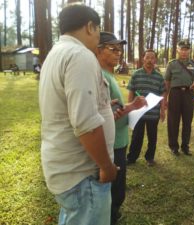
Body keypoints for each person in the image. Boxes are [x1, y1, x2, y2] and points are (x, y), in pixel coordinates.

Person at [39, 5, 118, 225]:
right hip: (83, 174)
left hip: (68, 169)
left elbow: (72, 106)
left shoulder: (56, 53)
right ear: (90, 27)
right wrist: (107, 167)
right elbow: (86, 124)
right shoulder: (80, 55)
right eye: (99, 30)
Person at [95, 31, 147, 225]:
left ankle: (113, 215)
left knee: (117, 189)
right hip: (112, 144)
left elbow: (113, 108)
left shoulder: (109, 74)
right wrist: (133, 107)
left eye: (120, 49)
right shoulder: (100, 76)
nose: (119, 53)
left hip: (120, 140)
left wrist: (131, 107)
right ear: (98, 50)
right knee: (113, 191)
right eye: (113, 49)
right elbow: (106, 115)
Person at [127, 49, 166, 166]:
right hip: (138, 112)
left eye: (152, 58)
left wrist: (162, 110)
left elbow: (163, 94)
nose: (149, 60)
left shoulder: (159, 77)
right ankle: (132, 158)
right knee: (136, 136)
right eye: (147, 57)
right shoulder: (136, 74)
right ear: (143, 58)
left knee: (152, 136)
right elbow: (131, 92)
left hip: (153, 113)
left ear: (155, 60)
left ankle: (150, 158)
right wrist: (129, 107)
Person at [165, 39, 194, 156]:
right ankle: (174, 146)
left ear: (189, 51)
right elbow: (167, 82)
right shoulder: (172, 64)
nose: (184, 52)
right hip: (175, 93)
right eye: (182, 49)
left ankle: (185, 146)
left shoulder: (193, 64)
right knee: (173, 121)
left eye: (186, 50)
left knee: (187, 120)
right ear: (178, 50)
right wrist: (165, 98)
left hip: (188, 94)